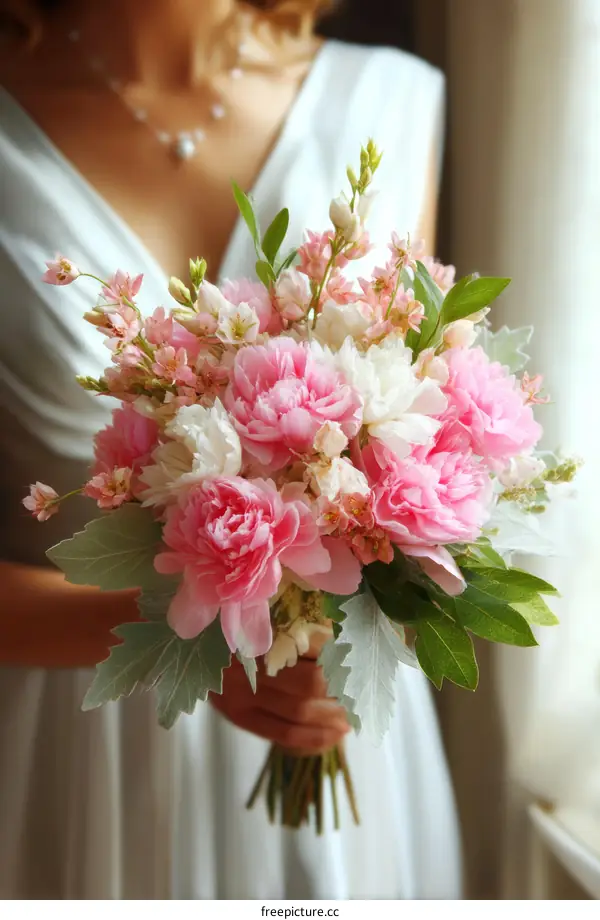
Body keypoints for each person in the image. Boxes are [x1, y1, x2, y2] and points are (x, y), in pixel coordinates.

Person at [0, 0, 461, 899]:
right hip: (83, 748)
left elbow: (412, 430)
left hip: (332, 733)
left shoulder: (394, 104)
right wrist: (175, 638)